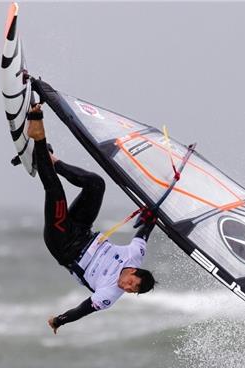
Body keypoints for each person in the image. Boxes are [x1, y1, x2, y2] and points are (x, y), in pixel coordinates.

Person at [26, 100, 158, 334]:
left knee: (54, 190)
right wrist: (151, 215)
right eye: (131, 284)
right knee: (96, 185)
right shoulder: (135, 255)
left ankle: (37, 131)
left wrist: (59, 320)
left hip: (64, 244)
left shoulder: (109, 296)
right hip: (82, 229)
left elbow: (83, 309)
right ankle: (53, 162)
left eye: (131, 291)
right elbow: (145, 231)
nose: (126, 289)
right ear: (134, 271)